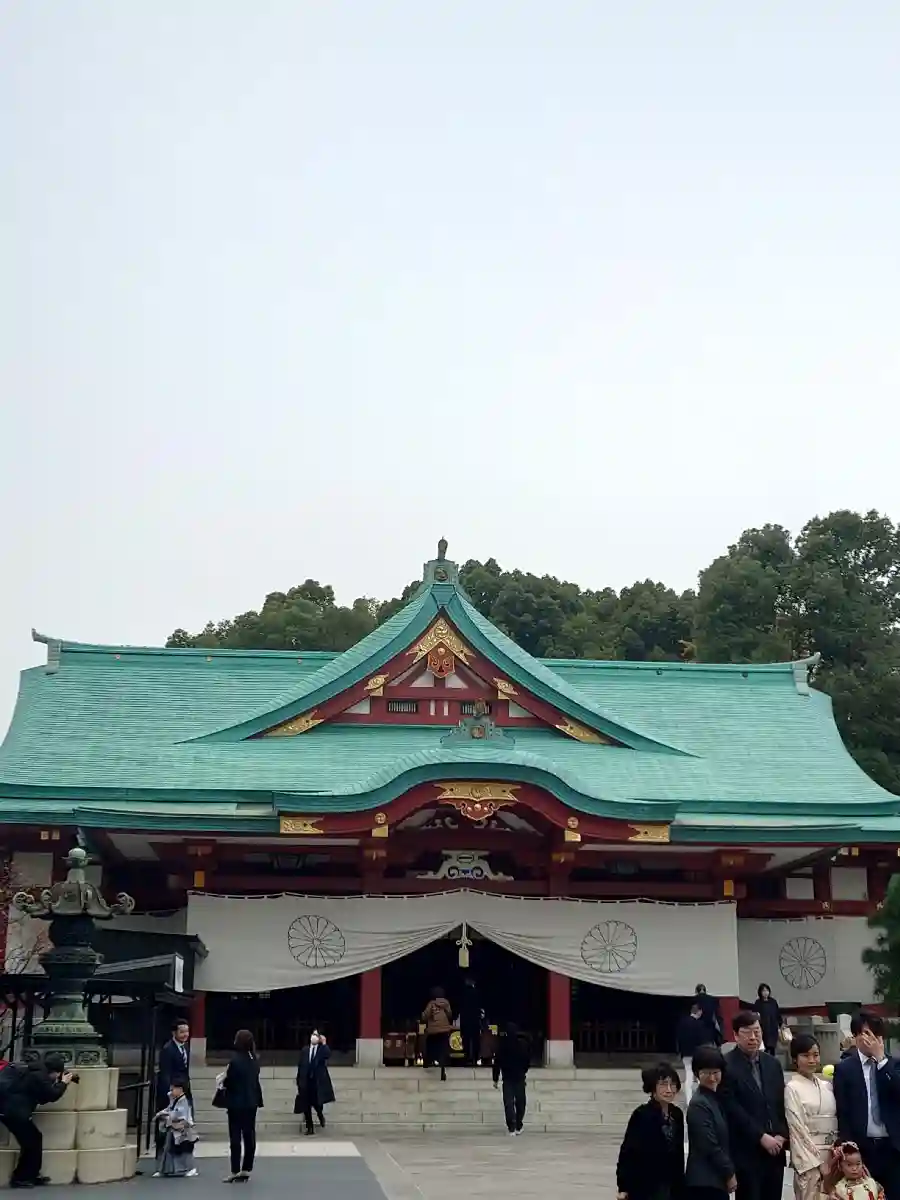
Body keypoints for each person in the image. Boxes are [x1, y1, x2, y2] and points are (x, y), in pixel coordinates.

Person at [718, 1010, 788, 1200]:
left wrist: (781, 1134)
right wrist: (761, 1137)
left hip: (775, 1150)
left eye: (757, 1031)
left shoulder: (772, 1064)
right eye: (747, 1032)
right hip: (747, 1152)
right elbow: (732, 1108)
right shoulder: (726, 1066)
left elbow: (780, 1103)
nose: (753, 1037)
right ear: (735, 1035)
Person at [833, 1011, 900, 1200]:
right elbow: (843, 1110)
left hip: (892, 1147)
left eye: (877, 1034)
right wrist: (848, 1147)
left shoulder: (893, 1065)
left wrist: (881, 1060)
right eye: (868, 1033)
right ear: (856, 1036)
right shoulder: (845, 1068)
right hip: (862, 1149)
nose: (873, 1039)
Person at [0, 1055, 74, 1188]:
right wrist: (63, 1083)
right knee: (31, 1141)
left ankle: (30, 1175)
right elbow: (52, 1095)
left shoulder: (35, 1072)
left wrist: (57, 1083)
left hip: (10, 1111)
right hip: (14, 1113)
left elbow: (42, 1097)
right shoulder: (40, 1076)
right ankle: (21, 1178)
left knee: (33, 1140)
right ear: (55, 1071)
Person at [617, 1062, 685, 1200]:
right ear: (653, 1088)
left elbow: (678, 1153)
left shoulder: (676, 1114)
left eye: (672, 1085)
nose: (669, 1090)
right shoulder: (641, 1115)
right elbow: (628, 1152)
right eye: (663, 1085)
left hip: (672, 1186)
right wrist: (623, 1186)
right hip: (647, 1186)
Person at [784, 1033, 837, 1200]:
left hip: (833, 1154)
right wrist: (818, 1163)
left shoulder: (826, 1086)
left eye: (815, 1055)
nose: (812, 1060)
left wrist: (836, 1155)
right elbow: (797, 1129)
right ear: (795, 1058)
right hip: (809, 1159)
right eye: (805, 1056)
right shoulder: (792, 1088)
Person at [685, 1045, 736, 1200]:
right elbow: (709, 1145)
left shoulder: (715, 1098)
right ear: (697, 1073)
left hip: (715, 1180)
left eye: (715, 1072)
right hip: (704, 1182)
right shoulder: (699, 1104)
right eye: (706, 1073)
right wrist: (729, 1173)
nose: (712, 1078)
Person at [221, 1029, 263, 1183]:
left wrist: (223, 1080)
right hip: (251, 1101)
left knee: (235, 1136)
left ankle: (235, 1169)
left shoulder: (235, 1061)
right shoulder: (254, 1059)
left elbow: (230, 1081)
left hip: (236, 1102)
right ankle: (246, 1168)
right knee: (249, 1134)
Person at [156, 1020, 191, 1155]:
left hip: (184, 1089)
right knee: (168, 1123)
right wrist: (170, 1090)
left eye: (187, 1031)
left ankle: (181, 1149)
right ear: (174, 1033)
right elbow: (165, 1072)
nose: (185, 1035)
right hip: (172, 1090)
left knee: (184, 1121)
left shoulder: (185, 1047)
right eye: (182, 1032)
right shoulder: (168, 1049)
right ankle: (162, 1151)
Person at [154, 1076, 197, 1178]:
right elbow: (169, 1109)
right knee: (168, 1148)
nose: (171, 1091)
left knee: (184, 1149)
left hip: (182, 1130)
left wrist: (166, 1116)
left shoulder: (184, 1101)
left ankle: (190, 1168)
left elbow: (179, 1115)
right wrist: (161, 1113)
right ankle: (165, 1170)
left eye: (173, 1089)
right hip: (174, 1128)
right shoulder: (174, 1099)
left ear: (180, 1089)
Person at [492, 1023, 531, 1137]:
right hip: (519, 1077)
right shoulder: (522, 1045)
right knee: (520, 1103)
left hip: (507, 1078)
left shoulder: (502, 1046)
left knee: (509, 1103)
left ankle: (512, 1126)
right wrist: (524, 1071)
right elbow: (527, 1060)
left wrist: (495, 1079)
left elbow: (497, 1063)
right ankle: (518, 1124)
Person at [294, 1030, 335, 1136]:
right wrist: (299, 1080)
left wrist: (324, 1043)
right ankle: (310, 1127)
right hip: (306, 1081)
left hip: (317, 1082)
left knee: (317, 1104)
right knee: (306, 1105)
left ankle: (320, 1115)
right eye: (313, 1034)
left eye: (316, 1035)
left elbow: (327, 1055)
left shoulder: (322, 1050)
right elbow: (300, 1065)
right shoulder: (305, 1050)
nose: (314, 1037)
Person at [678, 1003, 713, 1103]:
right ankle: (701, 1099)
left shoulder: (682, 1022)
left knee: (688, 1075)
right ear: (699, 1012)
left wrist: (680, 1051)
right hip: (697, 1054)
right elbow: (702, 1040)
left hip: (686, 1053)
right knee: (699, 1076)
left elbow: (679, 1038)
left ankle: (688, 1100)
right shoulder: (700, 1024)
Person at [421, 986, 453, 1083]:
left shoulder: (431, 1004)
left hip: (433, 1029)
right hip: (444, 1028)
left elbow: (425, 1016)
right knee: (443, 1046)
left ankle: (428, 1061)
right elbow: (450, 1014)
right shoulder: (446, 1003)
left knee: (429, 1043)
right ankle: (443, 1063)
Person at [751, 985, 785, 1056]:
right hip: (763, 1028)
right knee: (764, 1047)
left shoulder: (773, 1002)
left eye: (767, 990)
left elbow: (777, 1013)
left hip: (773, 1027)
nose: (765, 992)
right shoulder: (758, 1003)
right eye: (763, 991)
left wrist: (781, 1023)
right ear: (760, 992)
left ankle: (772, 1059)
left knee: (773, 1047)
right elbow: (754, 1015)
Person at [460, 978, 483, 1067]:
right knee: (475, 1039)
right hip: (475, 1020)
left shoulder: (463, 994)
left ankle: (466, 1058)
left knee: (466, 1039)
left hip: (466, 1020)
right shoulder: (477, 993)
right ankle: (475, 1057)